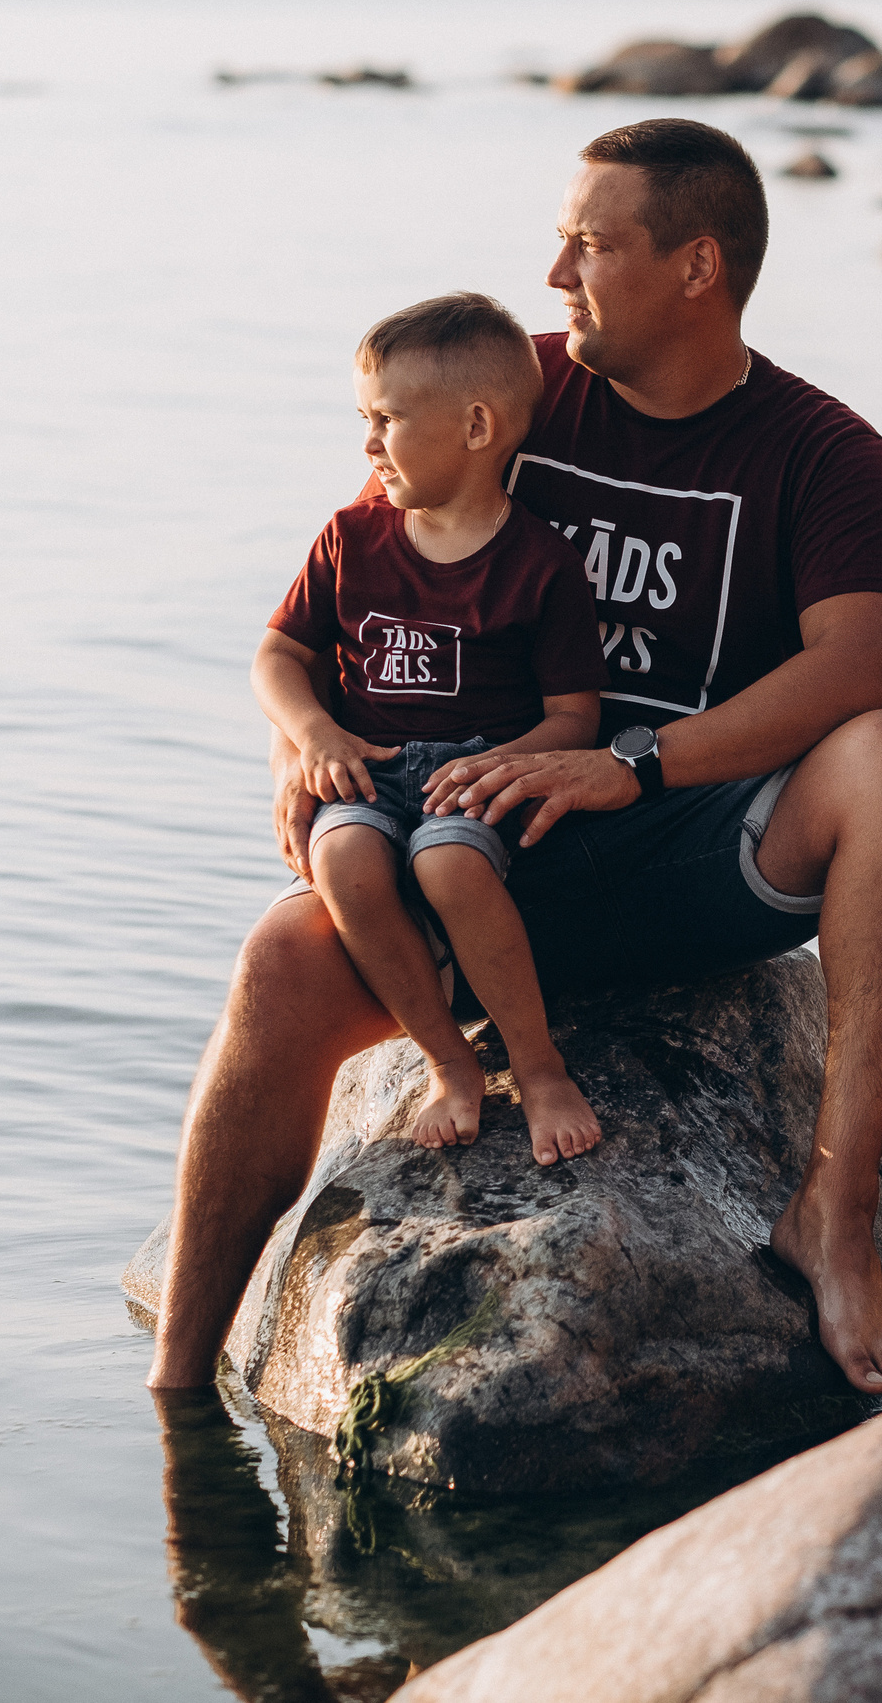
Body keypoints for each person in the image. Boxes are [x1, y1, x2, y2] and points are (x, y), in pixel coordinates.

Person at [146, 117, 882, 1399]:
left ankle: (833, 1206)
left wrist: (630, 765)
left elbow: (864, 674)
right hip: (471, 840)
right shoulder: (504, 392)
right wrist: (299, 751)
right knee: (280, 957)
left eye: (589, 243)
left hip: (693, 849)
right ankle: (180, 1384)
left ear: (696, 268)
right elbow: (354, 582)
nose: (554, 273)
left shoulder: (819, 450)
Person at [254, 291, 605, 1164]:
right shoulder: (351, 538)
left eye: (387, 420)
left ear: (478, 426)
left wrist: (506, 763)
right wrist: (313, 737)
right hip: (366, 767)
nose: (368, 443)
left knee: (446, 861)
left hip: (473, 774)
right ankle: (449, 1062)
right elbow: (276, 657)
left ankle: (538, 1066)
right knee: (343, 860)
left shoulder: (539, 565)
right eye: (364, 419)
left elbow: (575, 717)